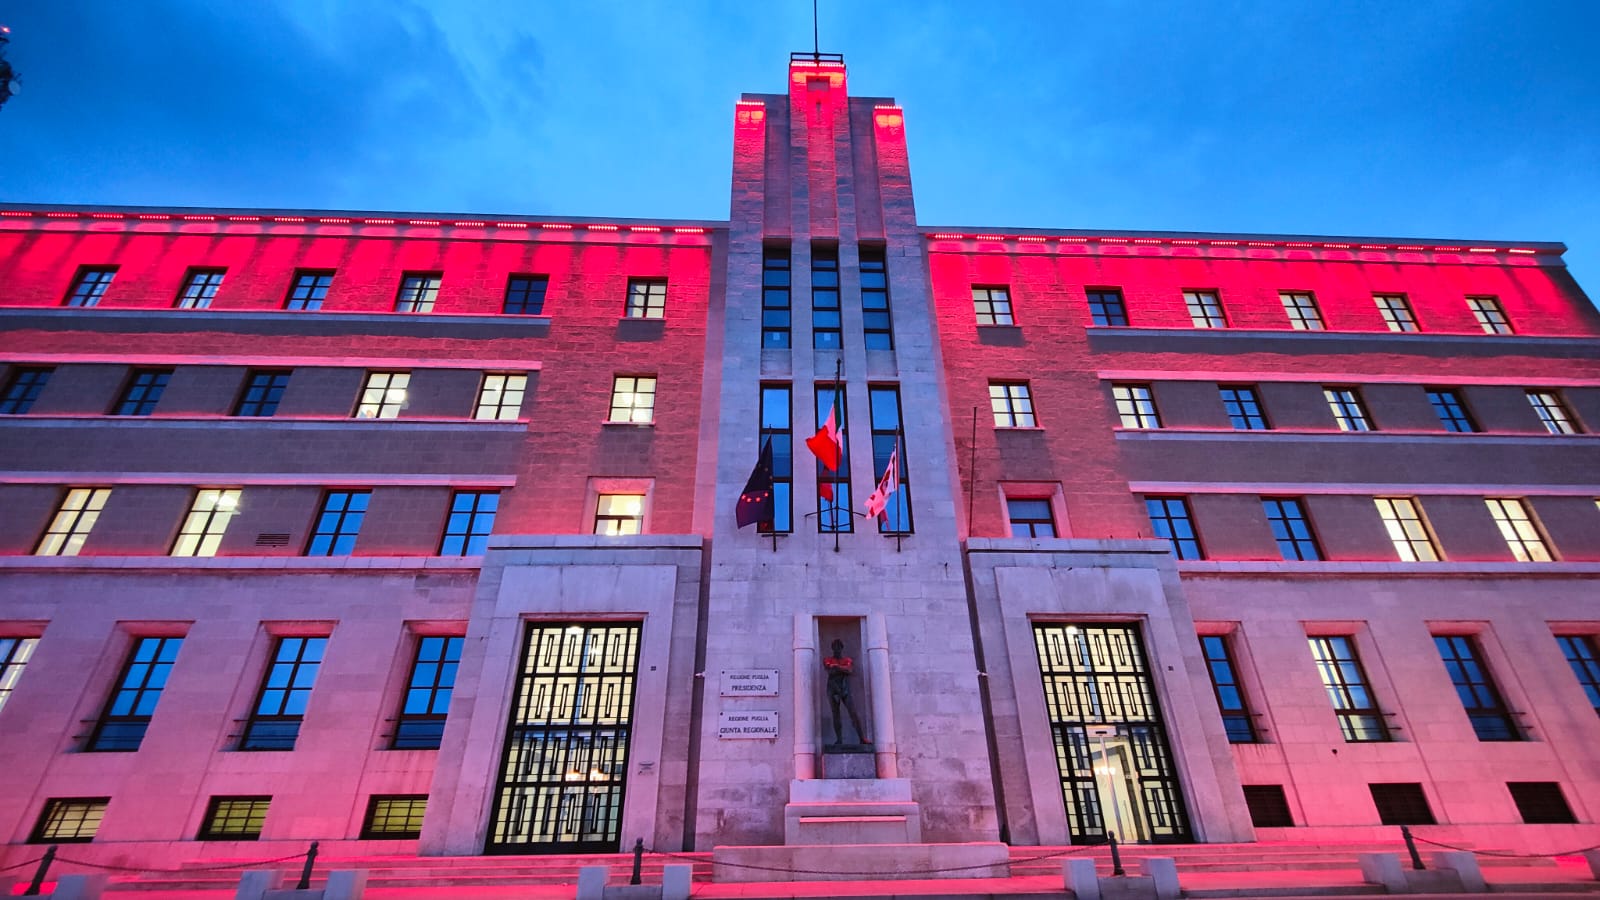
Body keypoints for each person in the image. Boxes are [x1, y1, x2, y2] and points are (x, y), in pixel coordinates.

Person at [822, 639, 871, 747]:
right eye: (835, 647)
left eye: (839, 647)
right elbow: (830, 671)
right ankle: (839, 739)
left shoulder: (846, 659)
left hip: (845, 689)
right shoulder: (827, 659)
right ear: (832, 648)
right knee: (836, 714)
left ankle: (862, 738)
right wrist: (841, 669)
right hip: (833, 689)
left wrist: (836, 667)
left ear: (841, 648)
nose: (837, 649)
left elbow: (849, 670)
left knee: (853, 713)